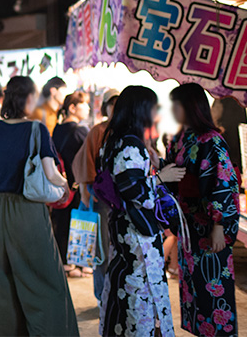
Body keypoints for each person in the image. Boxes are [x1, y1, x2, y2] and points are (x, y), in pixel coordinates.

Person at [0, 76, 79, 336]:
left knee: (3, 278)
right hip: (27, 209)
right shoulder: (36, 129)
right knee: (44, 276)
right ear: (27, 98)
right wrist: (67, 185)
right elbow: (50, 173)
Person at [97, 85, 186, 336]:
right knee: (141, 290)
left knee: (127, 287)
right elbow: (133, 191)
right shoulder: (131, 144)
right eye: (153, 107)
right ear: (141, 110)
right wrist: (160, 178)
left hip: (123, 226)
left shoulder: (114, 140)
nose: (156, 112)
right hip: (137, 231)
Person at [167, 83, 240, 336]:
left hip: (208, 225)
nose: (173, 110)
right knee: (194, 287)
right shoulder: (179, 139)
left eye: (176, 104)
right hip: (188, 227)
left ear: (191, 106)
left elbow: (224, 182)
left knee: (213, 285)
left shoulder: (212, 140)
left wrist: (219, 226)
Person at [72, 88, 119, 300]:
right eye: (112, 103)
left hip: (123, 200)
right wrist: (85, 192)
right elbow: (84, 163)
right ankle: (103, 296)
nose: (115, 107)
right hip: (101, 199)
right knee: (102, 250)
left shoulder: (130, 130)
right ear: (105, 106)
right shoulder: (98, 131)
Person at [50, 91, 90, 278]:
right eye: (85, 104)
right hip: (77, 186)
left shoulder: (56, 130)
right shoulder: (81, 131)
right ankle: (77, 263)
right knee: (79, 222)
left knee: (61, 222)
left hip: (59, 185)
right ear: (72, 108)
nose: (88, 108)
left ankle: (64, 262)